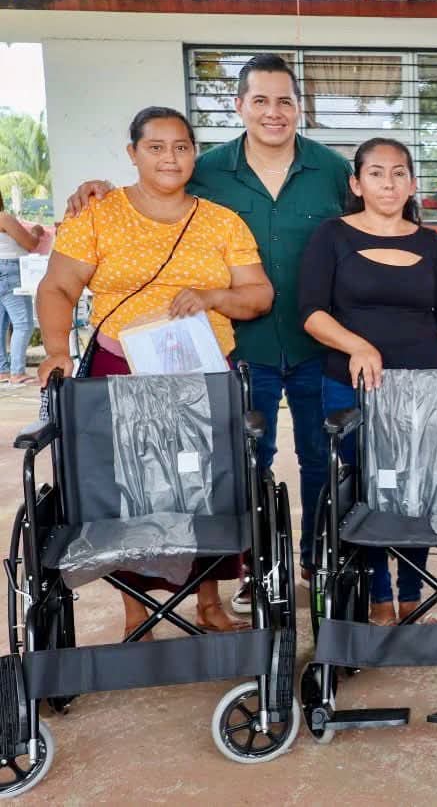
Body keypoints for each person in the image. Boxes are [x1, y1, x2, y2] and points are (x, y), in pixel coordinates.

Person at [66, 55, 353, 611]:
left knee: (323, 458)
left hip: (319, 342)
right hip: (242, 347)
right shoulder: (207, 169)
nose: (274, 112)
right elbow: (154, 191)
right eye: (261, 100)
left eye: (285, 101)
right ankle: (254, 572)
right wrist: (95, 188)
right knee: (246, 462)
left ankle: (321, 566)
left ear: (300, 108)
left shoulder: (333, 170)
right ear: (240, 105)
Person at [37, 107, 274, 638]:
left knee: (205, 488)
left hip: (202, 372)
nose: (170, 157)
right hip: (121, 369)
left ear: (195, 153)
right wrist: (55, 349)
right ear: (133, 153)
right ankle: (135, 610)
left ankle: (209, 603)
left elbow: (259, 295)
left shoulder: (220, 220)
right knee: (126, 489)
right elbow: (57, 287)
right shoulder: (98, 213)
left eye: (181, 147)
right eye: (156, 147)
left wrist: (213, 296)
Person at [299, 137, 437, 625]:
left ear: (412, 183)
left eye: (398, 173)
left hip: (422, 389)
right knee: (366, 492)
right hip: (351, 386)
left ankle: (411, 597)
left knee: (414, 492)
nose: (388, 182)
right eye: (376, 172)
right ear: (356, 182)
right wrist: (358, 345)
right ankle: (376, 598)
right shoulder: (333, 236)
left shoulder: (431, 243)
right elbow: (310, 313)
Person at [0, 190, 44, 385]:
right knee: (23, 323)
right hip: (10, 270)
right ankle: (17, 372)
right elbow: (30, 243)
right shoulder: (4, 218)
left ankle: (2, 370)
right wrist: (36, 231)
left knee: (0, 325)